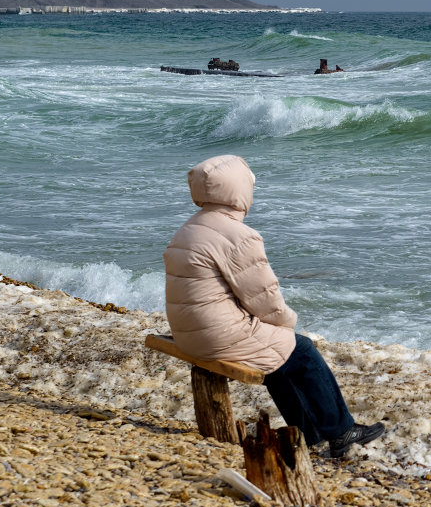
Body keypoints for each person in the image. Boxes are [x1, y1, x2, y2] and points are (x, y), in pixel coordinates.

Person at [162, 154, 384, 457]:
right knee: (301, 349)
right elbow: (264, 298)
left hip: (190, 332)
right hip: (215, 335)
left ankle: (308, 434)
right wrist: (287, 324)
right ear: (238, 191)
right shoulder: (238, 236)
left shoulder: (189, 229)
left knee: (279, 354)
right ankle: (342, 431)